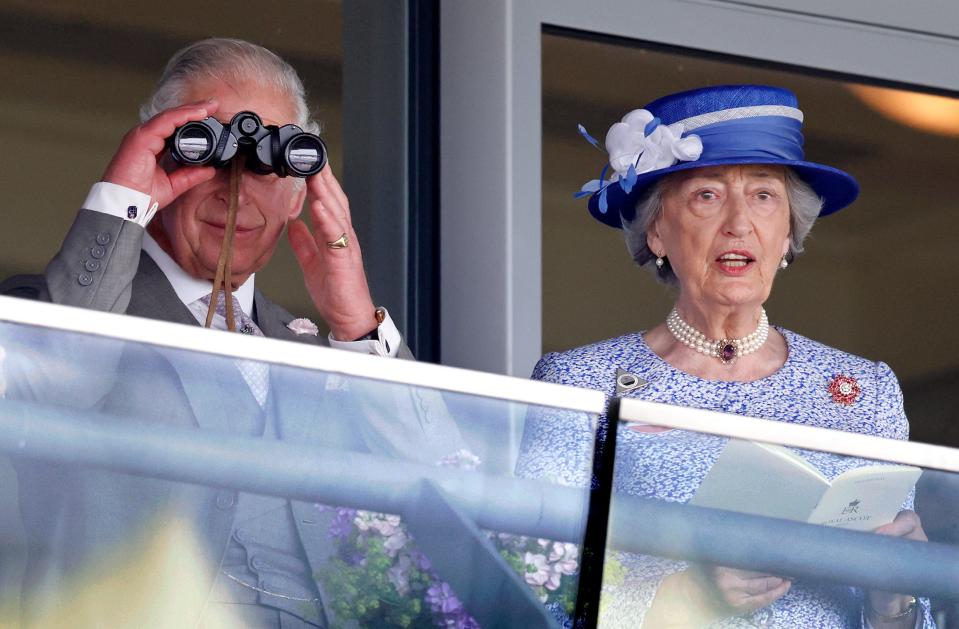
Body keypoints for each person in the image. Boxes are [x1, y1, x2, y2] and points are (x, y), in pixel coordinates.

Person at [0, 38, 463, 627]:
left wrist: (355, 325)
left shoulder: (322, 355)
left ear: (300, 190)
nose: (235, 185)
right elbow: (47, 385)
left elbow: (446, 481)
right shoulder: (59, 307)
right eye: (207, 151)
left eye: (270, 162)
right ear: (159, 162)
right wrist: (121, 201)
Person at [517, 85, 932, 628]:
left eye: (764, 196)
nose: (739, 223)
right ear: (658, 231)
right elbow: (535, 593)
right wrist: (687, 595)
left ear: (787, 234)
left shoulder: (864, 389)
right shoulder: (579, 382)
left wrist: (894, 599)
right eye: (707, 195)